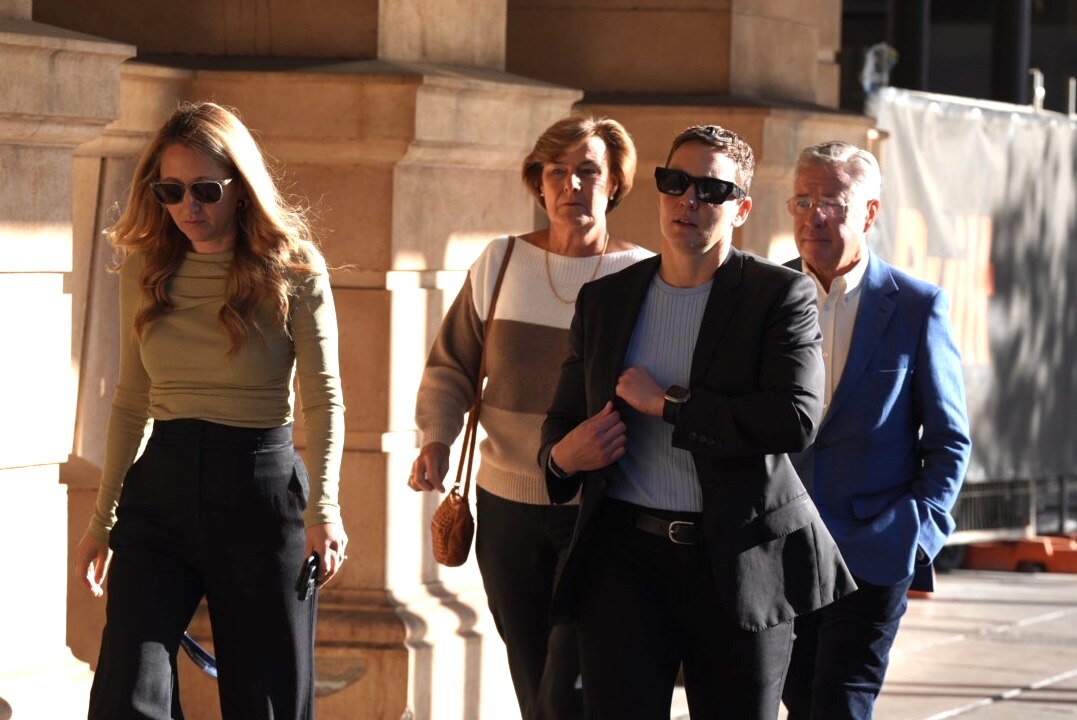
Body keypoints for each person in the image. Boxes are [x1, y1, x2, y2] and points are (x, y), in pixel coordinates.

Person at [538, 124, 856, 720]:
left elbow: (794, 418)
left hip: (738, 559)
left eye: (711, 189)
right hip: (624, 560)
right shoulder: (605, 299)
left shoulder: (778, 295)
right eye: (675, 182)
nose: (689, 200)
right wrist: (562, 457)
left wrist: (671, 406)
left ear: (741, 209)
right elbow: (562, 421)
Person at [73, 101, 347, 719]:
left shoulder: (294, 267)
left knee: (265, 703)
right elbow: (131, 399)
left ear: (240, 187)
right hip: (159, 492)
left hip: (260, 493)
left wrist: (324, 509)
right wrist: (101, 521)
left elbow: (324, 397)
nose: (187, 207)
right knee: (124, 696)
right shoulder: (146, 268)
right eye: (170, 190)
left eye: (205, 189)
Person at [408, 114, 653, 720]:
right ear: (539, 184)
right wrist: (436, 438)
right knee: (532, 675)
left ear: (615, 183)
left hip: (598, 509)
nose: (573, 185)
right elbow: (451, 367)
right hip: (506, 508)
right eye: (557, 172)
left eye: (589, 171)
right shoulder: (501, 262)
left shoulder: (642, 276)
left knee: (572, 684)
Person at [780, 141, 972, 720]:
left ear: (869, 212)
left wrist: (917, 534)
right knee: (797, 701)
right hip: (777, 549)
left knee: (841, 704)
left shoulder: (915, 306)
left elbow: (949, 440)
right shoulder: (764, 294)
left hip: (874, 550)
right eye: (803, 201)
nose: (814, 216)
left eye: (832, 203)